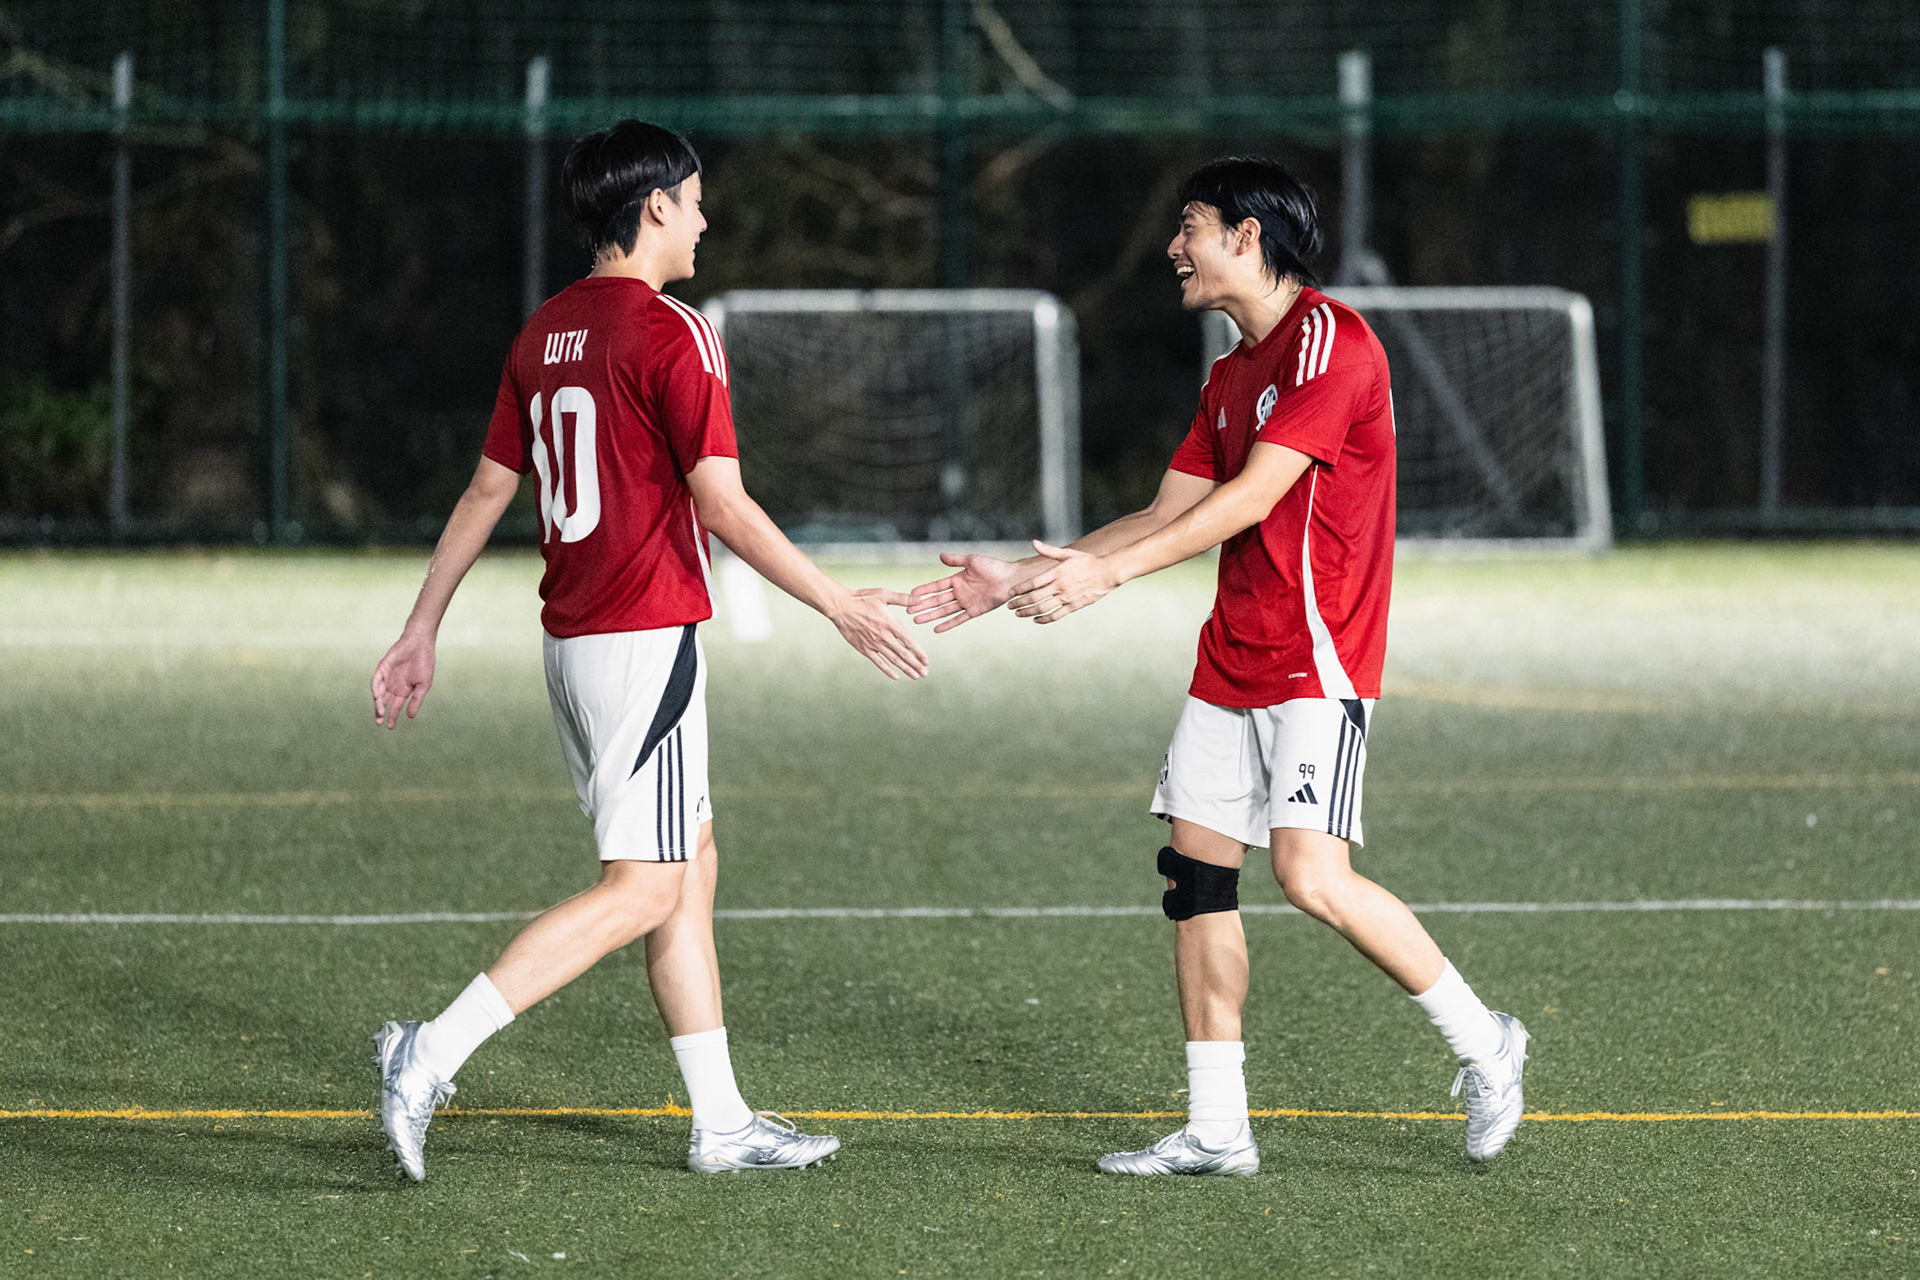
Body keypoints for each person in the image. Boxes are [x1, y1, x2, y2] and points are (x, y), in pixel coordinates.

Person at [908, 156, 1527, 1175]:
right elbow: (1165, 511)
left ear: (1246, 236)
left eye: (1189, 224)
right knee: (1196, 883)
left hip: (1316, 662)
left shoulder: (1331, 341)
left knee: (1310, 876)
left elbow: (1246, 501)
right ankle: (1216, 1125)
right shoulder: (1231, 373)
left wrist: (1104, 583)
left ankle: (1485, 1040)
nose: (1173, 247)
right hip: (1229, 661)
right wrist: (1011, 579)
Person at [369, 119, 928, 1182]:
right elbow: (721, 501)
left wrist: (420, 627)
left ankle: (720, 1119)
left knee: (688, 869)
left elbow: (490, 490)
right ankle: (427, 1051)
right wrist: (838, 605)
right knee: (644, 885)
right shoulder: (674, 331)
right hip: (642, 640)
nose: (707, 218)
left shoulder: (544, 332)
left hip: (577, 644)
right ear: (656, 205)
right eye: (697, 198)